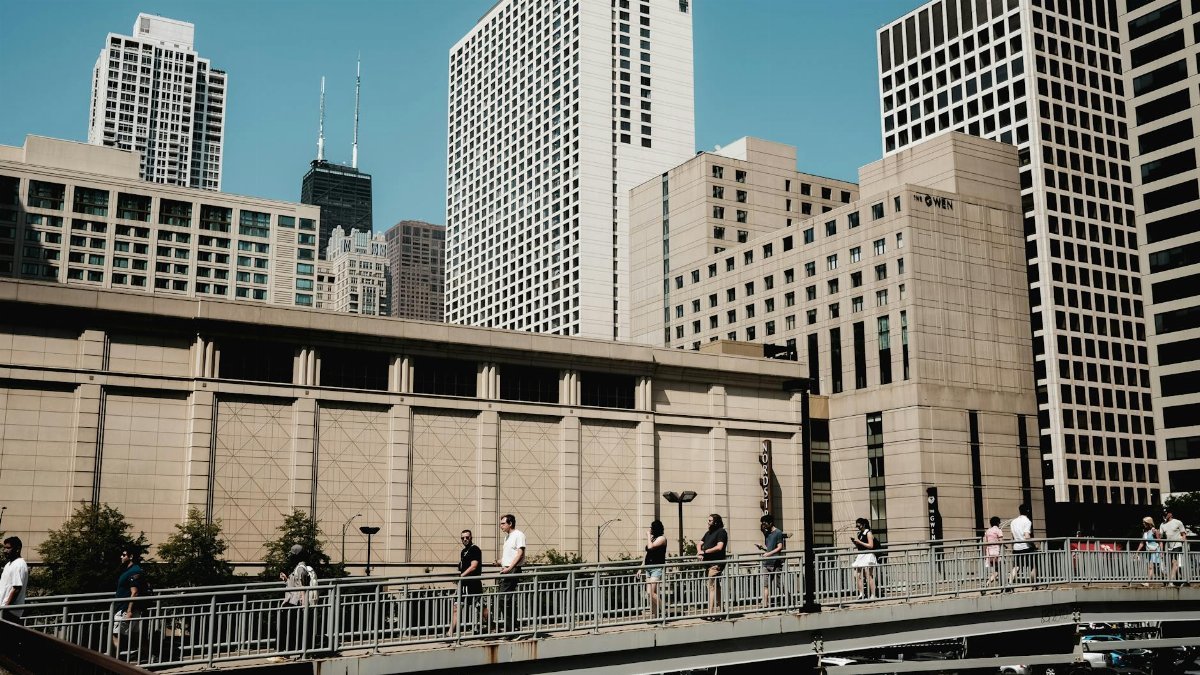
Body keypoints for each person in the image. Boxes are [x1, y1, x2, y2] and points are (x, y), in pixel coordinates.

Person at [275, 544, 317, 659]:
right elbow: (296, 584)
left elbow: (303, 587)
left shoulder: (300, 569)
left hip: (295, 603)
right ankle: (289, 652)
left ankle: (287, 652)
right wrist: (287, 579)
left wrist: (304, 605)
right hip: (294, 602)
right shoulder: (300, 568)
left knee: (289, 629)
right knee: (291, 628)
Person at [449, 529, 485, 635]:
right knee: (456, 607)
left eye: (467, 537)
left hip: (473, 584)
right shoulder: (463, 551)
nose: (465, 539)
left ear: (471, 537)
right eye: (463, 538)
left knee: (481, 608)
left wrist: (461, 576)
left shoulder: (475, 550)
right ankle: (450, 632)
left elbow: (473, 566)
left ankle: (492, 625)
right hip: (463, 584)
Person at [494, 514, 525, 636]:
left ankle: (510, 630)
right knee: (507, 600)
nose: (501, 526)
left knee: (503, 599)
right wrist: (499, 562)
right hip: (506, 569)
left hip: (512, 570)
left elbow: (520, 554)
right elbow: (509, 555)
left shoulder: (519, 535)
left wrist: (509, 568)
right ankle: (513, 627)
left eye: (503, 523)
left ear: (510, 523)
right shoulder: (507, 538)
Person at [112, 546, 146, 652]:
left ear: (130, 556)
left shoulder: (134, 571)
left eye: (124, 555)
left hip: (125, 608)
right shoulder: (129, 570)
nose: (121, 557)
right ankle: (148, 656)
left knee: (116, 634)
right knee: (136, 635)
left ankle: (115, 663)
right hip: (125, 607)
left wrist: (129, 611)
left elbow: (134, 592)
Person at [697, 513, 727, 619]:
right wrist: (700, 552)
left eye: (710, 520)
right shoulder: (708, 533)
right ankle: (722, 611)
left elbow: (719, 547)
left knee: (711, 587)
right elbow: (699, 543)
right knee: (716, 587)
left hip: (716, 564)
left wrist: (704, 552)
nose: (708, 522)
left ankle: (710, 613)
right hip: (708, 564)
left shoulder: (721, 532)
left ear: (716, 522)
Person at [636, 520, 668, 617]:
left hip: (657, 568)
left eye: (651, 528)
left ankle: (664, 611)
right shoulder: (653, 539)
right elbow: (647, 554)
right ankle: (656, 615)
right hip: (648, 568)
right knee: (650, 594)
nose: (650, 529)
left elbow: (650, 547)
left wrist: (648, 536)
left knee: (651, 592)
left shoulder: (662, 539)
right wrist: (641, 568)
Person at [758, 514, 785, 609]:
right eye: (762, 524)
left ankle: (788, 601)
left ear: (771, 523)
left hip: (775, 562)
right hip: (767, 563)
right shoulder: (767, 533)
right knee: (765, 585)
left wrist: (768, 554)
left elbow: (779, 547)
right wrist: (762, 548)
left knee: (779, 585)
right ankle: (765, 605)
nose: (764, 526)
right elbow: (769, 548)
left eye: (765, 523)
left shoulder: (778, 532)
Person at [1008, 503, 1037, 587]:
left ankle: (1010, 583)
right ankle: (1034, 585)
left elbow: (1012, 537)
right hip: (1026, 547)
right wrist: (1034, 545)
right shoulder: (1027, 521)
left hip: (1016, 548)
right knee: (1033, 566)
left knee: (1016, 566)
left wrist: (1012, 547)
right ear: (1028, 511)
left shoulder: (1013, 522)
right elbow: (1027, 536)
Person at [1, 536, 29, 625]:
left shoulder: (19, 565)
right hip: (4, 610)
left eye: (8, 548)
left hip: (9, 613)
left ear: (17, 549)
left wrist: (5, 608)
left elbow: (16, 588)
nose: (5, 551)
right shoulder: (9, 564)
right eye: (4, 548)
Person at [849, 518, 877, 600]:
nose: (858, 527)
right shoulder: (860, 534)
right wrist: (855, 542)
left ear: (863, 524)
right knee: (856, 575)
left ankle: (873, 594)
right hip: (861, 555)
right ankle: (861, 593)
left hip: (868, 555)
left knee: (868, 575)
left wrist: (859, 542)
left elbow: (871, 546)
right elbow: (860, 547)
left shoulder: (868, 533)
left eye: (859, 525)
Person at [1160, 508, 1188, 584]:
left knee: (1174, 561)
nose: (1164, 515)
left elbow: (1184, 534)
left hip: (1177, 544)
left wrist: (1182, 542)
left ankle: (1171, 581)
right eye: (1163, 514)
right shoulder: (1162, 524)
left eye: (1166, 513)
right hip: (1169, 546)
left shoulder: (1178, 522)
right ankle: (1181, 579)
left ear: (1170, 514)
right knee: (1169, 563)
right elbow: (1160, 536)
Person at [1135, 516, 1161, 586]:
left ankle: (1148, 582)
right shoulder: (1145, 532)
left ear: (1148, 523)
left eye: (1144, 522)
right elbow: (1142, 543)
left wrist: (1161, 552)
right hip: (1149, 551)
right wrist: (1137, 552)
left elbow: (1160, 541)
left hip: (1155, 550)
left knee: (1152, 567)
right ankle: (1166, 578)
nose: (1143, 523)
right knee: (1153, 567)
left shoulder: (1154, 531)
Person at [983, 516, 1003, 587]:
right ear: (998, 523)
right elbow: (1001, 541)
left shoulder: (987, 531)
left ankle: (988, 582)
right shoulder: (998, 530)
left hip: (989, 553)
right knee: (998, 570)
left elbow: (985, 542)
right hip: (996, 552)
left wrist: (984, 554)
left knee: (996, 570)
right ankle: (989, 582)